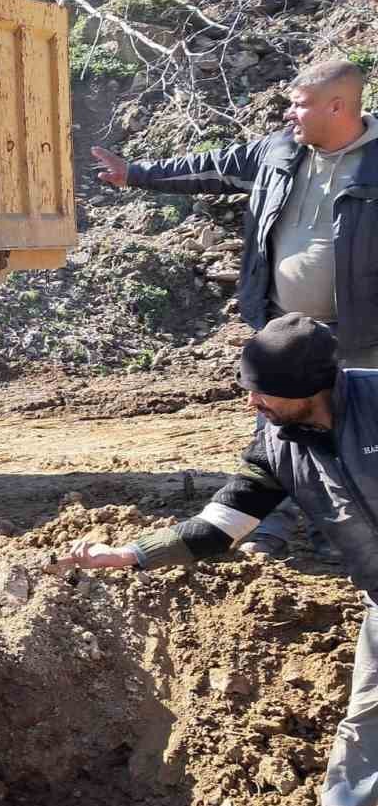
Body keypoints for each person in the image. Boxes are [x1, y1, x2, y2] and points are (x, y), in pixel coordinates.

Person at [58, 314, 376, 806]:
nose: (253, 402)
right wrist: (127, 553)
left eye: (263, 391)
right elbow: (219, 525)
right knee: (364, 728)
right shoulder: (278, 441)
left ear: (311, 387)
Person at [91, 57, 378, 559]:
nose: (289, 113)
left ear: (338, 106)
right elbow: (213, 167)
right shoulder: (279, 150)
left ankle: (342, 537)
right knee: (277, 427)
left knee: (353, 435)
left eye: (300, 104)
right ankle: (265, 528)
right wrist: (135, 174)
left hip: (362, 332)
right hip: (284, 328)